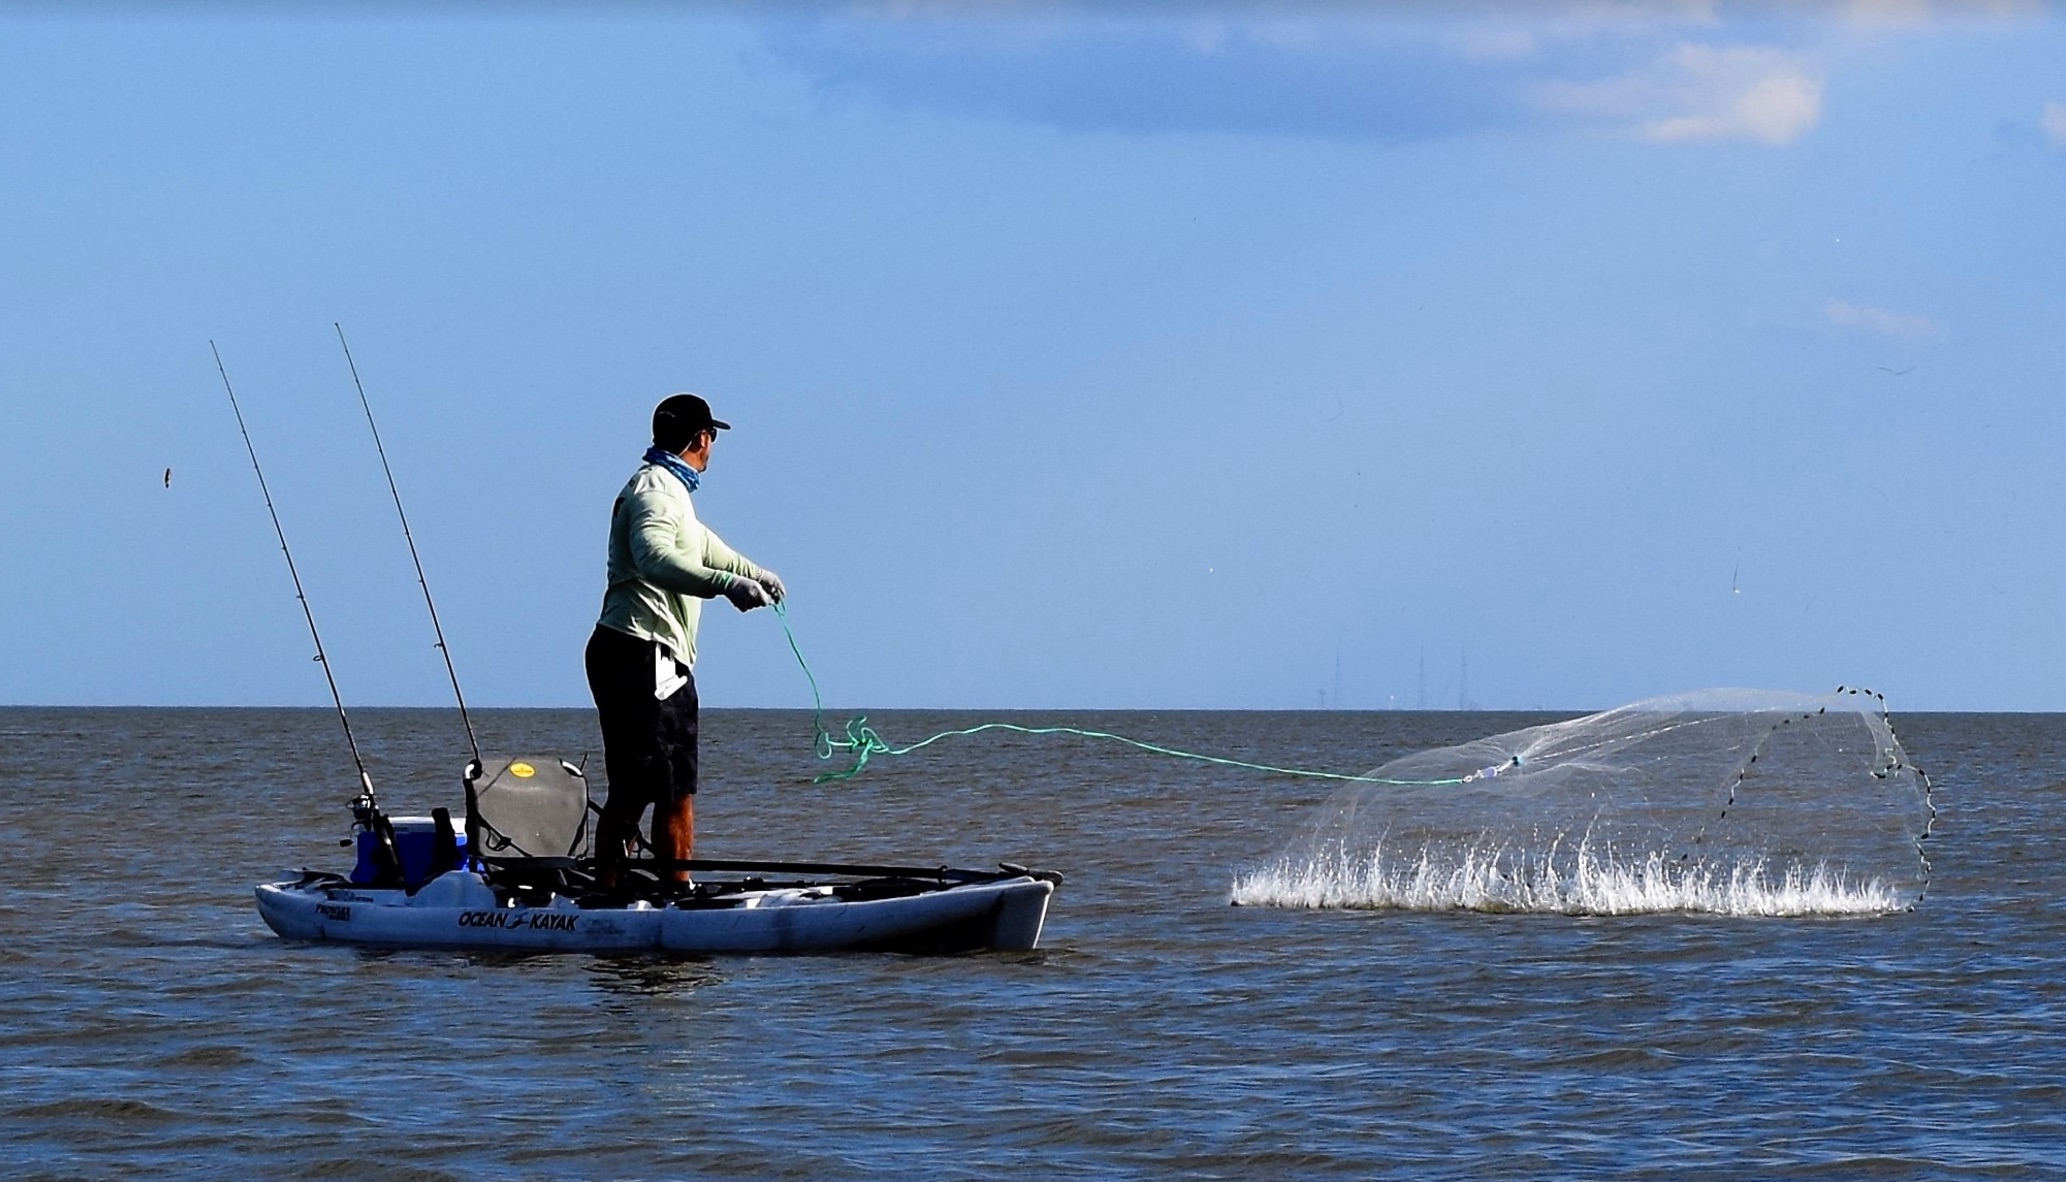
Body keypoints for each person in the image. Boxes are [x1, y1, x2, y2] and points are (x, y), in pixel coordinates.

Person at [586, 393, 784, 884]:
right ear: (702, 438)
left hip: (650, 656)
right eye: (712, 437)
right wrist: (726, 586)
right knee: (651, 788)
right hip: (640, 651)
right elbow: (654, 558)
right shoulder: (655, 492)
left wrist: (753, 572)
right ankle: (646, 893)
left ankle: (652, 889)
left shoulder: (671, 491)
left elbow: (703, 546)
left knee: (665, 785)